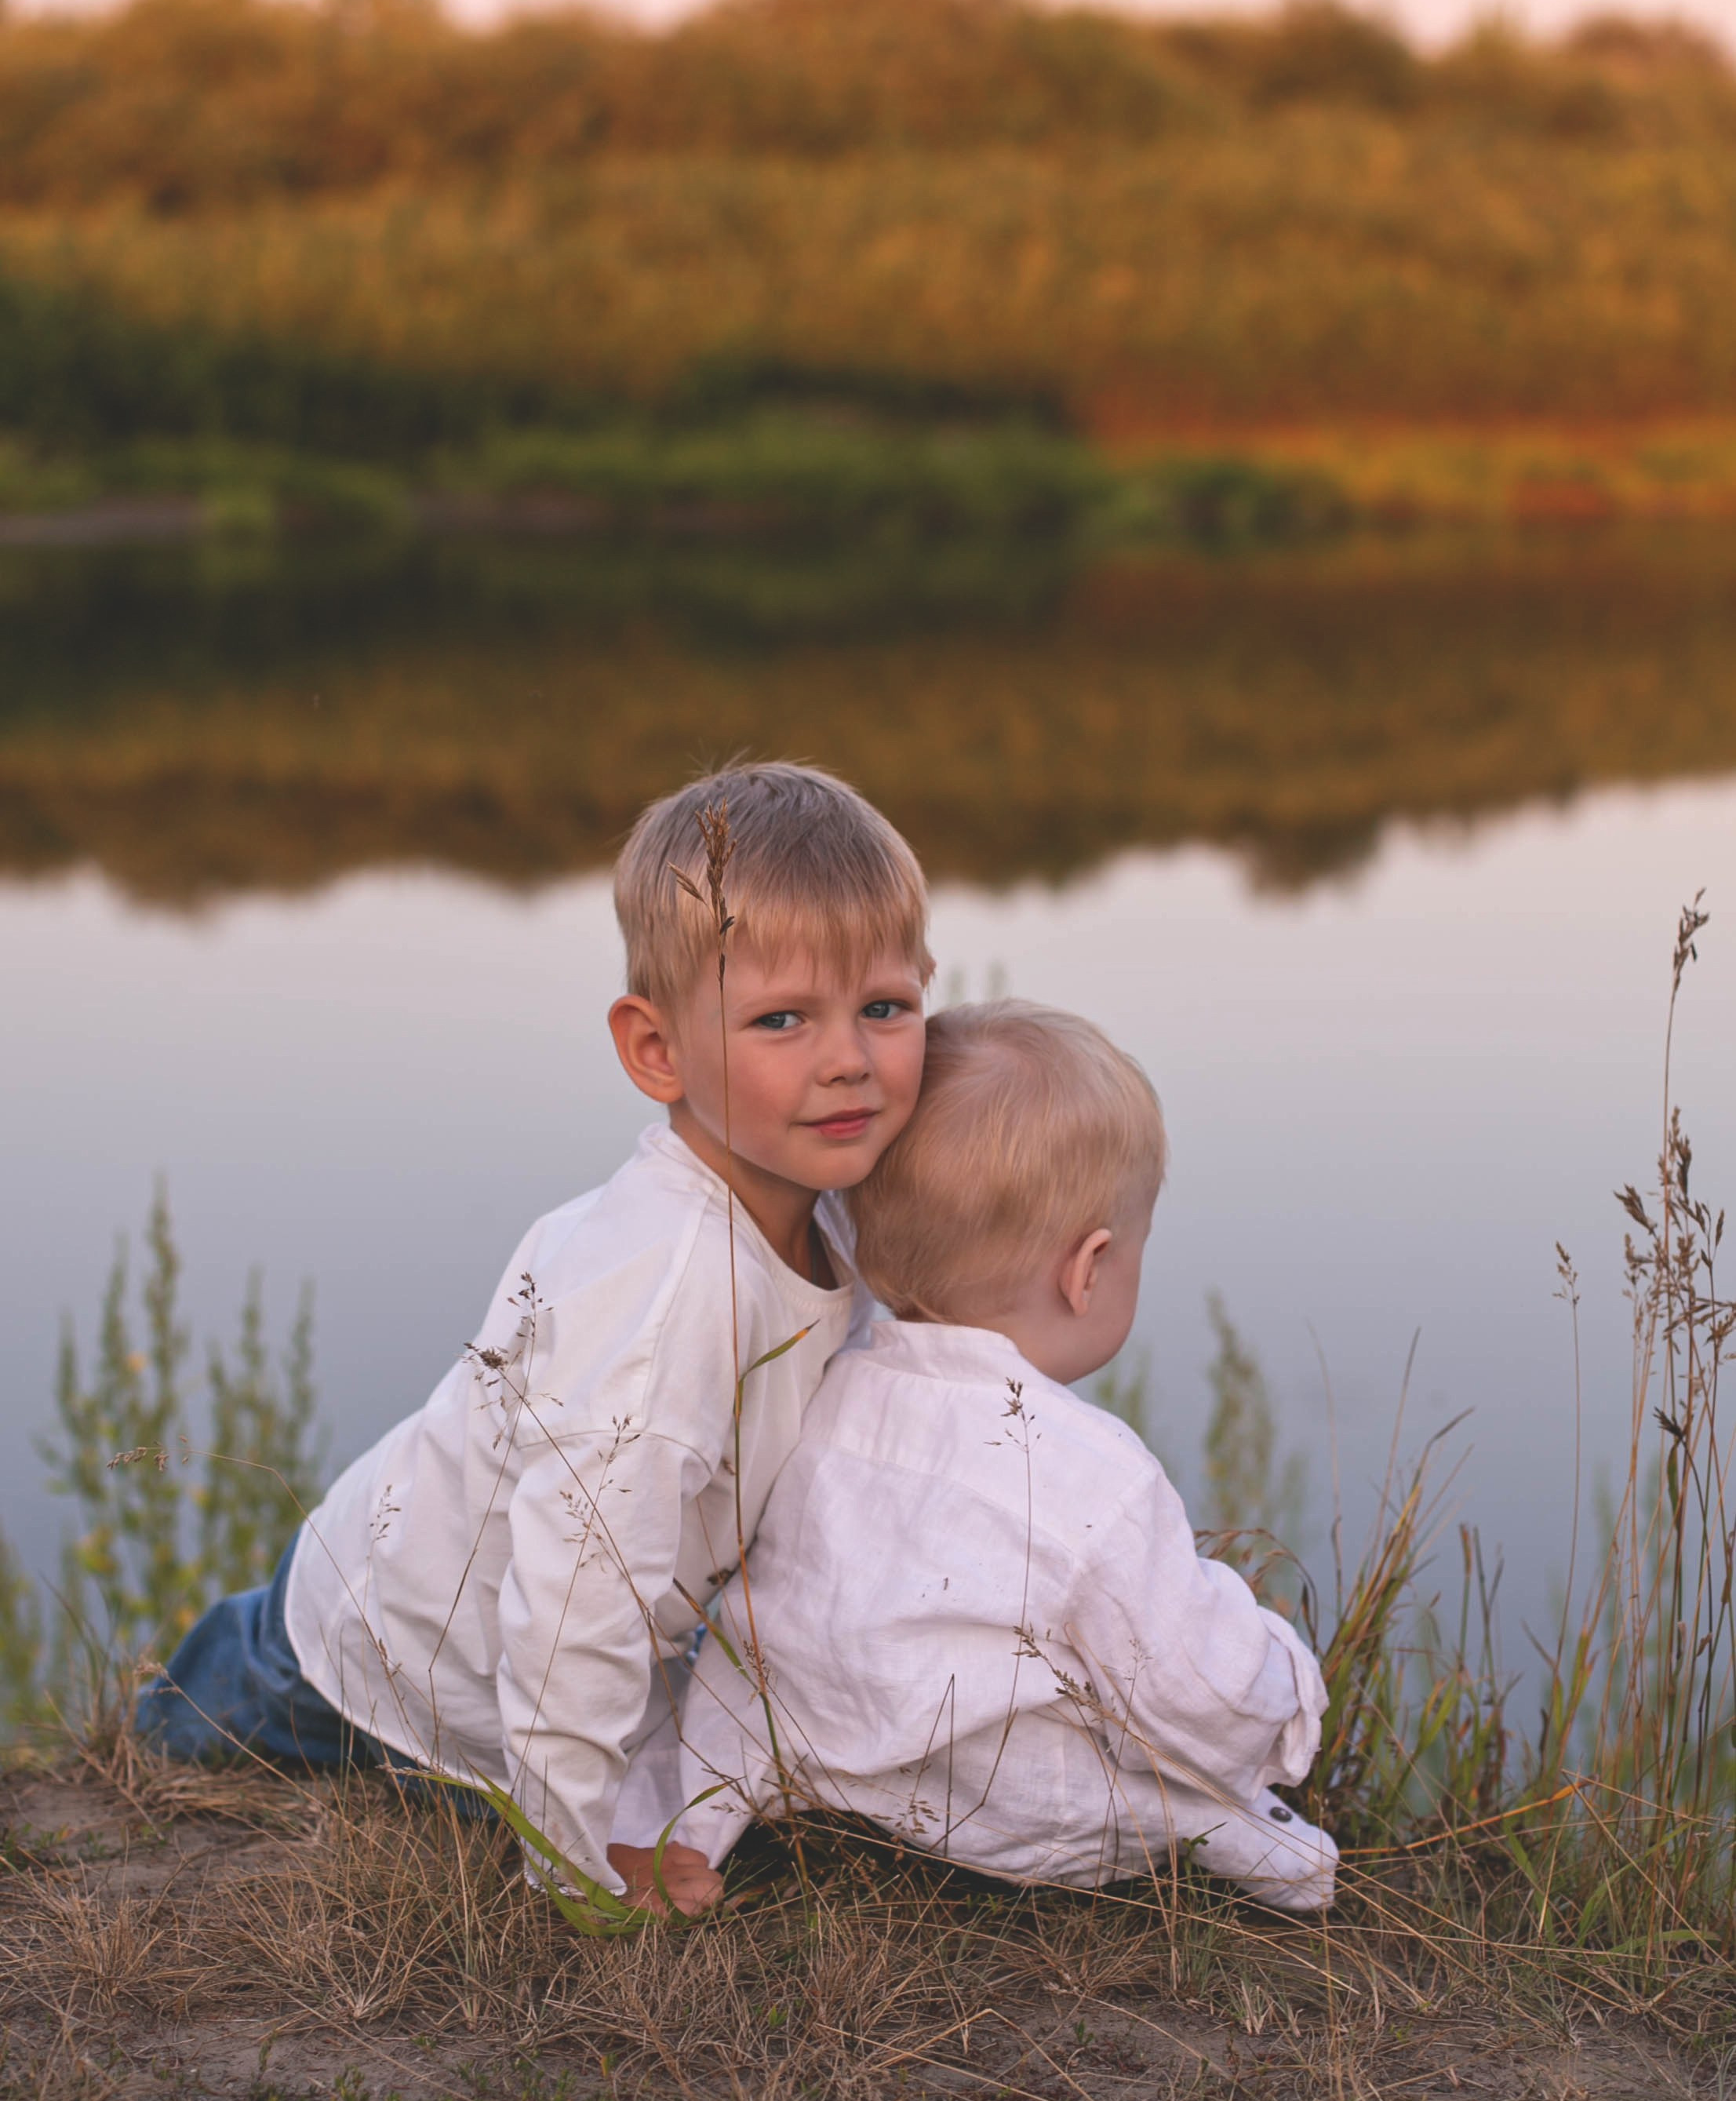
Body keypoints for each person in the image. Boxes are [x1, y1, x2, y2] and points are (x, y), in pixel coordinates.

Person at [137, 763, 932, 1917]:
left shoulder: (821, 1195)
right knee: (189, 1732)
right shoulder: (663, 1301)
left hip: (446, 1583)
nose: (848, 1058)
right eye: (780, 1020)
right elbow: (574, 1606)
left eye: (885, 1008)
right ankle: (148, 1739)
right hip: (379, 1655)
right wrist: (576, 1853)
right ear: (656, 1053)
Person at [620, 1000, 1337, 1913]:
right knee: (1190, 1756)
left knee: (735, 1683)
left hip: (810, 1743)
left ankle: (686, 1824)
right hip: (1012, 1812)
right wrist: (1283, 1688)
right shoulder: (1089, 1473)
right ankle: (1258, 1843)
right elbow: (1191, 1692)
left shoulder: (819, 1392)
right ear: (1088, 1268)